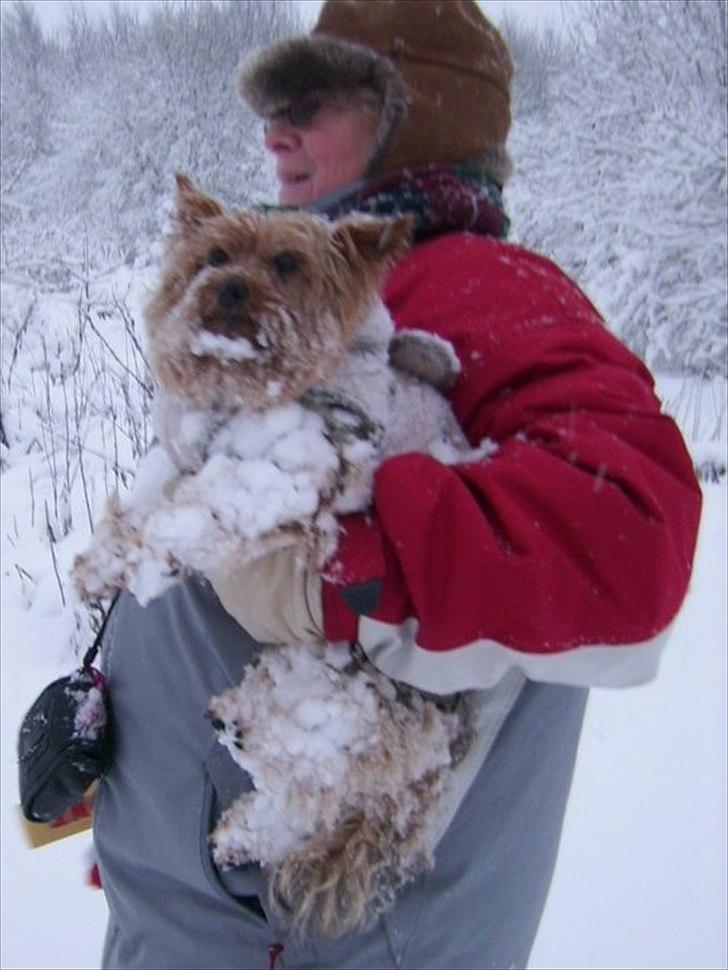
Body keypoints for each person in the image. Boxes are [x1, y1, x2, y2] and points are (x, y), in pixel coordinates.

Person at [92, 2, 702, 968]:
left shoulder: (473, 286)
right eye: (273, 105)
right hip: (204, 905)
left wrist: (335, 577)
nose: (274, 130)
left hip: (329, 929)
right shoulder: (301, 292)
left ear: (414, 114)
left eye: (312, 100)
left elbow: (629, 542)